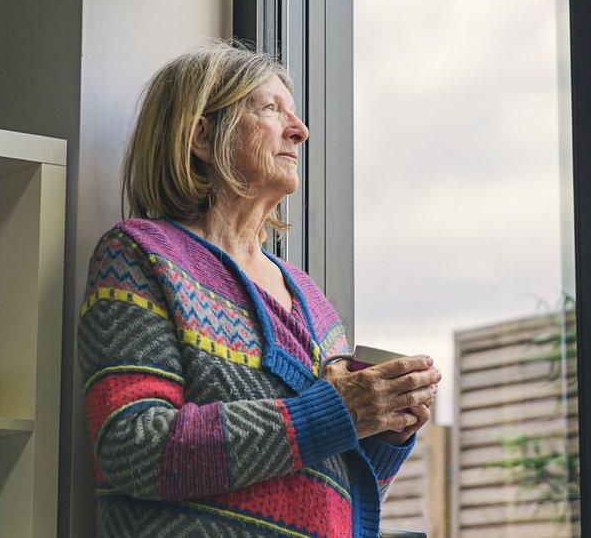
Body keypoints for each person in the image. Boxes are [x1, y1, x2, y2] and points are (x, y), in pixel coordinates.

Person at [78, 40, 441, 538]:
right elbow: (135, 448)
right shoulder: (140, 256)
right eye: (271, 109)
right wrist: (340, 410)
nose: (301, 130)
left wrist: (385, 430)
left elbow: (334, 493)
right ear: (203, 136)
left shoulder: (313, 301)